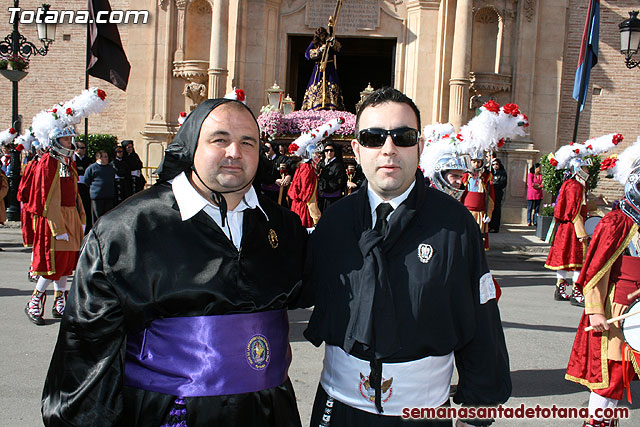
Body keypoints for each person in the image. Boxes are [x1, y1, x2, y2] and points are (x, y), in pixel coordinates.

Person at [42, 96, 308, 426]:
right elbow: (86, 351)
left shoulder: (283, 226)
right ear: (190, 145)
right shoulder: (128, 230)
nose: (234, 153)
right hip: (171, 414)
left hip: (271, 411)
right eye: (220, 139)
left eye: (247, 142)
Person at [303, 87, 511, 427]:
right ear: (356, 149)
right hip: (338, 408)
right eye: (373, 137)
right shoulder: (335, 222)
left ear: (420, 146)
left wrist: (478, 411)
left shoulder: (455, 225)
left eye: (403, 136)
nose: (388, 149)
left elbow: (481, 320)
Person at [566, 138, 640, 427]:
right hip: (616, 311)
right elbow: (595, 272)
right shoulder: (615, 223)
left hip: (637, 310)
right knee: (611, 374)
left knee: (624, 378)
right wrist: (596, 310)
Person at [24, 126, 86, 325]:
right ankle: (34, 300)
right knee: (53, 265)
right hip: (54, 219)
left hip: (69, 216)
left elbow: (75, 194)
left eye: (70, 139)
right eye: (66, 140)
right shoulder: (47, 163)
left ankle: (60, 300)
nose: (70, 143)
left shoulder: (68, 162)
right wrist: (57, 228)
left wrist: (80, 219)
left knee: (67, 265)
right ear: (56, 141)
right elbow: (46, 199)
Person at [301, 27, 345, 111]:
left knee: (331, 85)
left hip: (330, 68)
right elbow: (307, 54)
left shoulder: (330, 42)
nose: (322, 37)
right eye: (320, 35)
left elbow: (340, 50)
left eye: (323, 35)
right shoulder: (315, 43)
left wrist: (333, 42)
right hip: (319, 68)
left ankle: (332, 103)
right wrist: (319, 50)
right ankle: (315, 104)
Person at [461, 155, 494, 250]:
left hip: (480, 212)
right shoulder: (465, 176)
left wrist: (489, 213)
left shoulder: (486, 177)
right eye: (474, 161)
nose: (476, 164)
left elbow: (490, 197)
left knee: (478, 239)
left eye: (478, 162)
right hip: (467, 212)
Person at [84, 150, 116, 224]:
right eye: (105, 157)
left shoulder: (110, 168)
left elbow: (113, 177)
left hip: (108, 196)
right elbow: (87, 180)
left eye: (107, 157)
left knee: (108, 217)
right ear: (99, 158)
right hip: (97, 196)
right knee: (97, 217)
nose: (107, 158)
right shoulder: (92, 168)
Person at [318, 142, 347, 211]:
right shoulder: (320, 163)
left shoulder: (338, 165)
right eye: (326, 150)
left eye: (331, 150)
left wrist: (323, 187)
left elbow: (338, 182)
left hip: (332, 197)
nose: (329, 152)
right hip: (320, 196)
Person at [73, 140, 93, 232]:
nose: (84, 150)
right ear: (76, 149)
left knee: (86, 206)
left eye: (85, 148)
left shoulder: (87, 159)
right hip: (76, 186)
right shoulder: (73, 159)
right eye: (82, 148)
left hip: (85, 186)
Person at [488, 158, 507, 233]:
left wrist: (493, 184)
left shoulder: (502, 173)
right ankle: (489, 225)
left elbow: (503, 183)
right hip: (490, 193)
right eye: (493, 164)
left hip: (497, 193)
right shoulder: (491, 173)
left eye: (496, 164)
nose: (495, 166)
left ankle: (495, 227)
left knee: (496, 209)